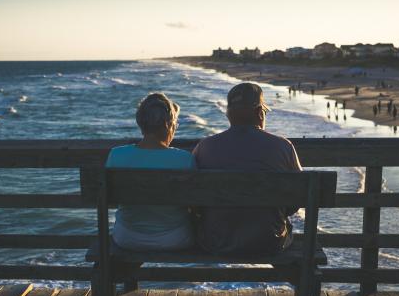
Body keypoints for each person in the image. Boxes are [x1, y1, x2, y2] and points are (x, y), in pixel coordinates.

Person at [193, 83, 302, 255]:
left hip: (216, 242)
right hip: (269, 242)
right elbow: (298, 197)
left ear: (229, 115)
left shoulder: (204, 147)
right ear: (259, 113)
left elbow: (194, 199)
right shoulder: (283, 147)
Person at [106, 93, 195, 251]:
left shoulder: (116, 155)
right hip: (174, 239)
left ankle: (125, 275)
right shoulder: (184, 159)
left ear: (140, 123)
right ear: (168, 124)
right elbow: (195, 204)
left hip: (126, 238)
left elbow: (110, 200)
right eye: (175, 124)